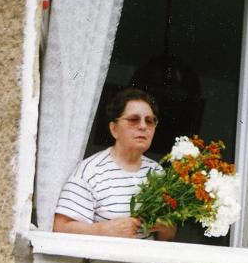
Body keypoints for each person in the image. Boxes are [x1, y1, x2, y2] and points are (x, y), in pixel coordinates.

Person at [53, 88, 176, 240]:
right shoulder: (91, 171)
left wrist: (166, 227)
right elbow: (60, 227)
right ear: (114, 129)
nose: (143, 126)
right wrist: (102, 230)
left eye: (149, 121)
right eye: (133, 120)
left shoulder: (157, 172)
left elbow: (167, 237)